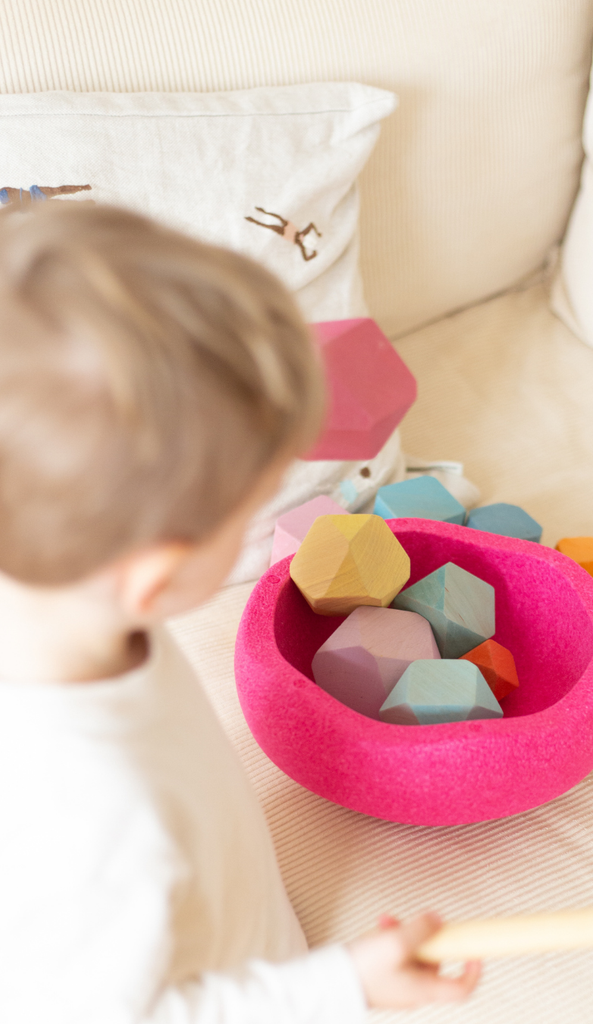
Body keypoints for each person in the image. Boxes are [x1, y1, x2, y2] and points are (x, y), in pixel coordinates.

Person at [0, 202, 481, 1022]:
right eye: (247, 514)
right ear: (154, 580)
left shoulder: (59, 590)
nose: (259, 527)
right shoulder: (95, 815)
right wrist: (342, 988)